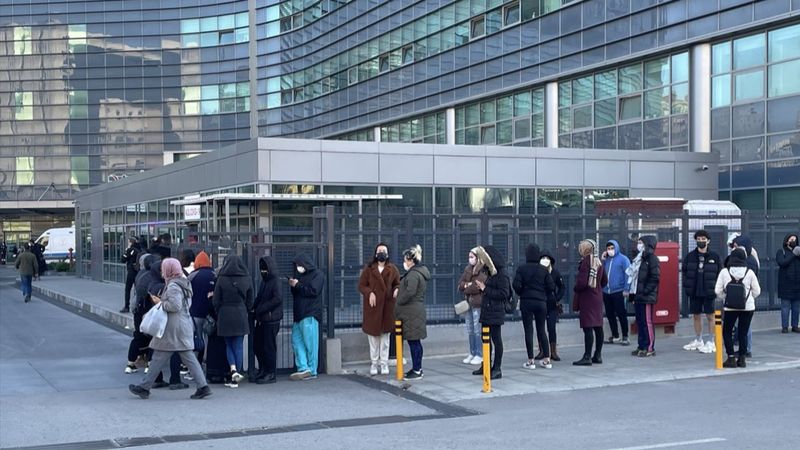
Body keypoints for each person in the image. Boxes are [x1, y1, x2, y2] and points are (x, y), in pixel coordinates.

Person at [128, 258, 212, 400]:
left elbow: (175, 306)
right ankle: (203, 386)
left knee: (158, 357)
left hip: (172, 328)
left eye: (164, 268)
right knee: (188, 358)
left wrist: (160, 301)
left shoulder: (173, 286)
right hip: (181, 326)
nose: (162, 271)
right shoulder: (183, 282)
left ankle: (144, 387)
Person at [212, 254, 254, 388]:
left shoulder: (221, 278)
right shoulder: (247, 278)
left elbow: (216, 300)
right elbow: (250, 300)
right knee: (239, 346)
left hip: (225, 314)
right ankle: (237, 375)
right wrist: (245, 310)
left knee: (228, 345)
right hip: (241, 313)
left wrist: (220, 311)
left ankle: (233, 370)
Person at [359, 243, 401, 375]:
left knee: (385, 339)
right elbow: (361, 285)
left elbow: (397, 283)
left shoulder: (393, 269)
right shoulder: (369, 269)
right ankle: (374, 363)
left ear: (387, 254)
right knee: (373, 339)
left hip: (387, 308)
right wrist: (369, 293)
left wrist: (396, 290)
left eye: (384, 251)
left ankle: (384, 364)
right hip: (373, 308)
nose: (381, 253)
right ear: (375, 253)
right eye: (379, 251)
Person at [716, 248, 761, 368]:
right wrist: (749, 297)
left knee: (727, 331)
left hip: (730, 307)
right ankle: (742, 359)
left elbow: (717, 291)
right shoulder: (750, 272)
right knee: (743, 332)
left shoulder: (725, 272)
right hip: (748, 307)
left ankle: (730, 358)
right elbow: (757, 291)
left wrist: (726, 297)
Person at [513, 243, 554, 370]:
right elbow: (551, 286)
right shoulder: (543, 270)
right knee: (542, 329)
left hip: (526, 302)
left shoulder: (521, 268)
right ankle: (547, 359)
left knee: (528, 330)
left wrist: (522, 292)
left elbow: (516, 285)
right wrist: (543, 293)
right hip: (541, 302)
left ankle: (531, 361)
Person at [472, 245, 510, 380]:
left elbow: (504, 293)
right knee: (485, 339)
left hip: (496, 310)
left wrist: (485, 288)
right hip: (488, 309)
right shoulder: (490, 272)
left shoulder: (501, 273)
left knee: (496, 340)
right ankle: (486, 365)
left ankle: (497, 368)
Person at [682, 230, 723, 353]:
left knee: (711, 316)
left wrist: (717, 288)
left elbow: (720, 273)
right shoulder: (690, 256)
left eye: (703, 239)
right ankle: (698, 339)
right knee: (696, 315)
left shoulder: (715, 257)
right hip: (694, 291)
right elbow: (684, 272)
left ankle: (711, 341)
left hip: (709, 291)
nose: (700, 241)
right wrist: (687, 286)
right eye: (698, 239)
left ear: (708, 241)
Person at [395, 245, 430, 380]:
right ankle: (417, 368)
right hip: (413, 312)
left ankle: (417, 369)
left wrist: (399, 301)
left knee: (414, 342)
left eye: (405, 259)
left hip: (411, 313)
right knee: (415, 342)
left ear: (411, 260)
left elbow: (410, 291)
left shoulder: (414, 274)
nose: (404, 262)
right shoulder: (416, 273)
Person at [289, 253, 325, 381]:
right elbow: (298, 292)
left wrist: (297, 285)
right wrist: (294, 285)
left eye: (299, 265)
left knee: (310, 344)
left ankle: (312, 369)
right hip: (298, 314)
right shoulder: (300, 276)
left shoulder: (318, 275)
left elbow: (313, 291)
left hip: (310, 313)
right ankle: (304, 368)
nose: (298, 267)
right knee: (296, 341)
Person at [572, 239, 608, 366]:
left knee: (588, 327)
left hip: (587, 298)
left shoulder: (586, 262)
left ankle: (587, 356)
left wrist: (575, 288)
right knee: (598, 327)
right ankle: (597, 355)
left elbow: (582, 283)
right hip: (597, 296)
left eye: (581, 247)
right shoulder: (598, 262)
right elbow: (605, 281)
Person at [626, 235, 661, 357]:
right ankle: (641, 346)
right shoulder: (638, 258)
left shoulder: (652, 259)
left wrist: (645, 291)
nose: (638, 244)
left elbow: (655, 277)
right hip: (637, 295)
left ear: (647, 244)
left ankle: (650, 347)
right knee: (640, 322)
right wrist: (633, 295)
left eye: (641, 242)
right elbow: (634, 278)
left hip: (646, 296)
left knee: (647, 322)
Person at [125, 253, 158, 374]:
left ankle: (130, 363)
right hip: (151, 310)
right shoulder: (153, 277)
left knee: (138, 336)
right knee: (153, 337)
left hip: (138, 309)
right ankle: (149, 364)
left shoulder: (140, 274)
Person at [253, 255, 283, 384]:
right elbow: (259, 297)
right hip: (263, 318)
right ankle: (263, 370)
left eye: (264, 269)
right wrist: (253, 308)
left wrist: (260, 308)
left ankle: (270, 373)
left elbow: (277, 299)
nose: (262, 271)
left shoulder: (275, 281)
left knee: (268, 347)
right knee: (258, 346)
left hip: (271, 319)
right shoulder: (265, 281)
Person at [457, 247, 487, 366]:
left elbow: (477, 287)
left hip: (478, 304)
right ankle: (472, 352)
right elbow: (460, 284)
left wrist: (467, 287)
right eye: (469, 257)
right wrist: (467, 285)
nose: (470, 259)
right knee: (470, 329)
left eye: (472, 257)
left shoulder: (483, 270)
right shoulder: (467, 269)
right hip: (468, 303)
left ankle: (479, 354)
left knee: (477, 330)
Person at [602, 240, 631, 346]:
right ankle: (615, 336)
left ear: (616, 248)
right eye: (608, 248)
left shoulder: (624, 259)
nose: (610, 250)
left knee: (621, 314)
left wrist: (627, 289)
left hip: (619, 291)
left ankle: (625, 336)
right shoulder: (606, 260)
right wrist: (603, 260)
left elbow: (629, 274)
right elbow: (601, 271)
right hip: (606, 291)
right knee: (610, 314)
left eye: (612, 248)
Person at [188, 251, 215, 365]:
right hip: (211, 313)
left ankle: (197, 364)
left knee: (198, 338)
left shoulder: (193, 275)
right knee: (209, 338)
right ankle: (209, 362)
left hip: (196, 312)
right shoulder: (215, 274)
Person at [540, 250, 565, 361]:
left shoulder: (555, 273)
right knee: (540, 328)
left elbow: (562, 287)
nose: (545, 260)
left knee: (551, 327)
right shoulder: (538, 272)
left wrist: (557, 298)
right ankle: (542, 351)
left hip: (552, 304)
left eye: (547, 258)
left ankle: (553, 352)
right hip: (540, 303)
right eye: (543, 258)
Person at [776, 233, 800, 333]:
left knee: (796, 307)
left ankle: (795, 325)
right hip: (785, 284)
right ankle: (784, 326)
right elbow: (782, 263)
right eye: (791, 239)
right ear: (787, 241)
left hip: (797, 284)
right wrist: (793, 255)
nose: (793, 241)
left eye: (795, 239)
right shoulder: (781, 252)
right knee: (785, 307)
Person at [120, 237, 141, 313]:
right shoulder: (140, 249)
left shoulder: (131, 250)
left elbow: (122, 260)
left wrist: (126, 250)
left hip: (131, 272)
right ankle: (138, 306)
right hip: (139, 272)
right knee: (137, 290)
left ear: (131, 242)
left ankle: (126, 306)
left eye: (129, 242)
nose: (128, 243)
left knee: (128, 289)